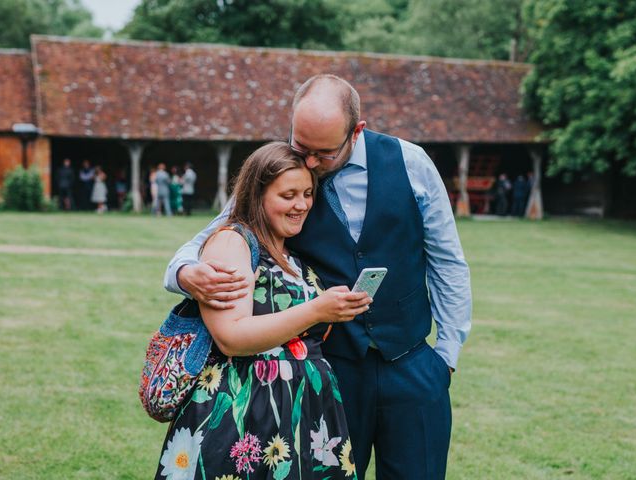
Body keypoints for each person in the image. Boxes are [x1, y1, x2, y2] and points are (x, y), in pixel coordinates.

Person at [165, 74, 472, 479]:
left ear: (355, 131)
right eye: (300, 146)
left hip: (413, 364)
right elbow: (210, 236)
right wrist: (186, 273)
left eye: (323, 153)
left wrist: (445, 357)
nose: (308, 163)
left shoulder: (411, 163)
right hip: (331, 373)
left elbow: (447, 261)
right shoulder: (279, 176)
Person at [155, 142, 370, 479]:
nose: (301, 205)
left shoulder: (293, 253)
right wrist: (316, 311)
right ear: (257, 195)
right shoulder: (233, 243)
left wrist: (336, 310)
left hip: (303, 412)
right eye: (288, 196)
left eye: (308, 193)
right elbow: (231, 337)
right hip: (246, 412)